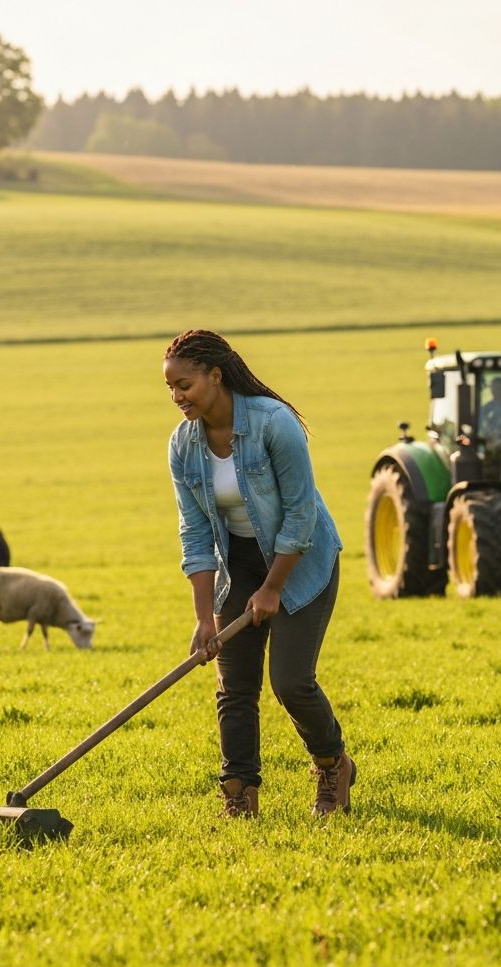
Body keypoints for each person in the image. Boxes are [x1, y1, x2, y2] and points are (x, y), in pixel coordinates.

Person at [164, 328, 355, 819]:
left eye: (184, 384)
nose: (177, 396)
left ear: (215, 375)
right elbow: (195, 533)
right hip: (240, 565)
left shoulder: (274, 424)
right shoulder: (183, 445)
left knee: (291, 682)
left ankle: (333, 764)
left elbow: (301, 513)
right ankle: (239, 791)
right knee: (234, 684)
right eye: (170, 388)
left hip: (301, 559)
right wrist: (203, 618)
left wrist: (273, 587)